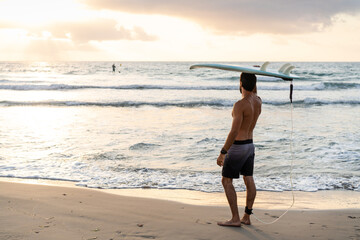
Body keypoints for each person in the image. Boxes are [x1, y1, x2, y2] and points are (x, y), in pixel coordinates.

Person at [216, 73, 262, 227]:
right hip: (250, 146)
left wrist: (223, 152)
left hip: (238, 147)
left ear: (241, 83)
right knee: (248, 178)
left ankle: (235, 218)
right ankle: (246, 217)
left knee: (226, 180)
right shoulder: (258, 101)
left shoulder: (240, 105)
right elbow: (253, 92)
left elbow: (234, 132)